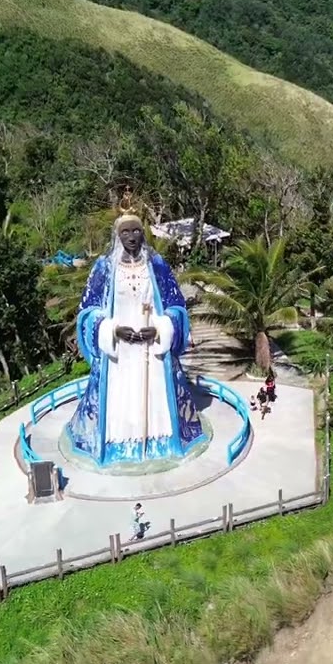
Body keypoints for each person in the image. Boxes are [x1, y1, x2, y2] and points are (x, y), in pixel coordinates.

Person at [64, 195, 206, 466]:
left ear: (144, 233)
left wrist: (161, 328)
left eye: (136, 231)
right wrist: (112, 330)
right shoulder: (104, 268)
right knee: (120, 400)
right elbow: (88, 311)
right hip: (119, 355)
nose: (131, 237)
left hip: (153, 352)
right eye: (125, 232)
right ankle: (117, 444)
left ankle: (160, 441)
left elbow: (176, 305)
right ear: (117, 236)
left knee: (156, 399)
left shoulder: (157, 265)